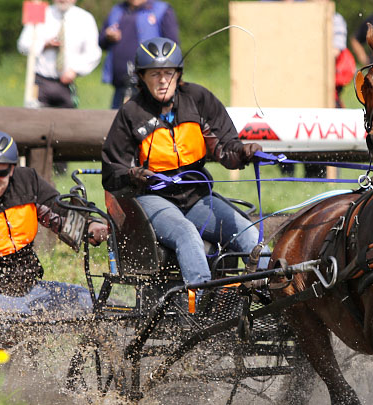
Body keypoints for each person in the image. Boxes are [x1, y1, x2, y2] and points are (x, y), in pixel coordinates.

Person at [101, 38, 265, 289]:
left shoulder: (199, 99)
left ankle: (275, 297)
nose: (163, 80)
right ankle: (199, 306)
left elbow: (227, 148)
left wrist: (244, 152)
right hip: (152, 198)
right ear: (142, 78)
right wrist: (133, 174)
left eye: (169, 73)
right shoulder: (130, 114)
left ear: (179, 75)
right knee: (187, 235)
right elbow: (112, 172)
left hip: (197, 197)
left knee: (249, 233)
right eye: (155, 74)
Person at [0, 129, 108, 320]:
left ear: (12, 169)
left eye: (1, 173)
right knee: (9, 319)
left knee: (94, 303)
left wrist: (89, 224)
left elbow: (60, 209)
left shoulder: (27, 182)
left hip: (31, 290)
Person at [17, 0, 101, 109]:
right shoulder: (40, 12)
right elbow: (22, 45)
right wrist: (44, 45)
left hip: (66, 85)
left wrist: (75, 70)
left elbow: (93, 53)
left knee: (67, 123)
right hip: (40, 83)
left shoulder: (85, 18)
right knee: (35, 123)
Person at [99, 0, 181, 109]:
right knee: (119, 121)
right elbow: (101, 42)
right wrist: (107, 36)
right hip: (121, 85)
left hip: (151, 86)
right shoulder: (117, 10)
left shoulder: (161, 10)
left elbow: (173, 48)